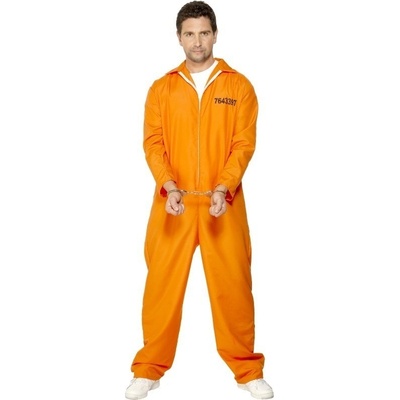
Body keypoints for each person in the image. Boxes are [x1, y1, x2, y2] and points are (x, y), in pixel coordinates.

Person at [125, 1, 273, 399]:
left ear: (215, 35)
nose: (197, 41)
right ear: (179, 37)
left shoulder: (238, 87)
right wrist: (168, 185)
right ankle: (149, 368)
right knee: (161, 287)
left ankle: (247, 370)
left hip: (222, 204)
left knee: (234, 287)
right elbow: (153, 144)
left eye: (204, 33)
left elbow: (243, 144)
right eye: (189, 33)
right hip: (172, 203)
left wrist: (224, 187)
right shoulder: (162, 88)